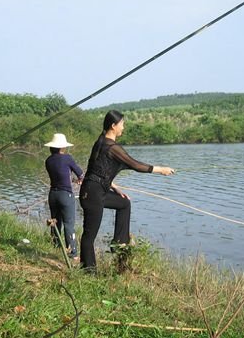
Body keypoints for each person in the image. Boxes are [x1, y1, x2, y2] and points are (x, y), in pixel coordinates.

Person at [79, 110, 175, 271]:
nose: (124, 127)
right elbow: (135, 165)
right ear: (113, 126)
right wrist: (161, 169)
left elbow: (99, 169)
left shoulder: (101, 141)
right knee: (89, 235)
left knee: (124, 203)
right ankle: (89, 271)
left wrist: (114, 187)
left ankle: (119, 244)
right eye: (122, 124)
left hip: (97, 190)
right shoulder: (111, 147)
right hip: (92, 193)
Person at [44, 133, 84, 259]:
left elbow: (60, 174)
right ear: (62, 147)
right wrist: (79, 179)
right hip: (65, 195)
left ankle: (55, 247)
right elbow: (80, 174)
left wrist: (71, 179)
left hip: (53, 195)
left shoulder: (48, 160)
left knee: (55, 222)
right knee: (69, 224)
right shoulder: (67, 158)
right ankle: (72, 253)